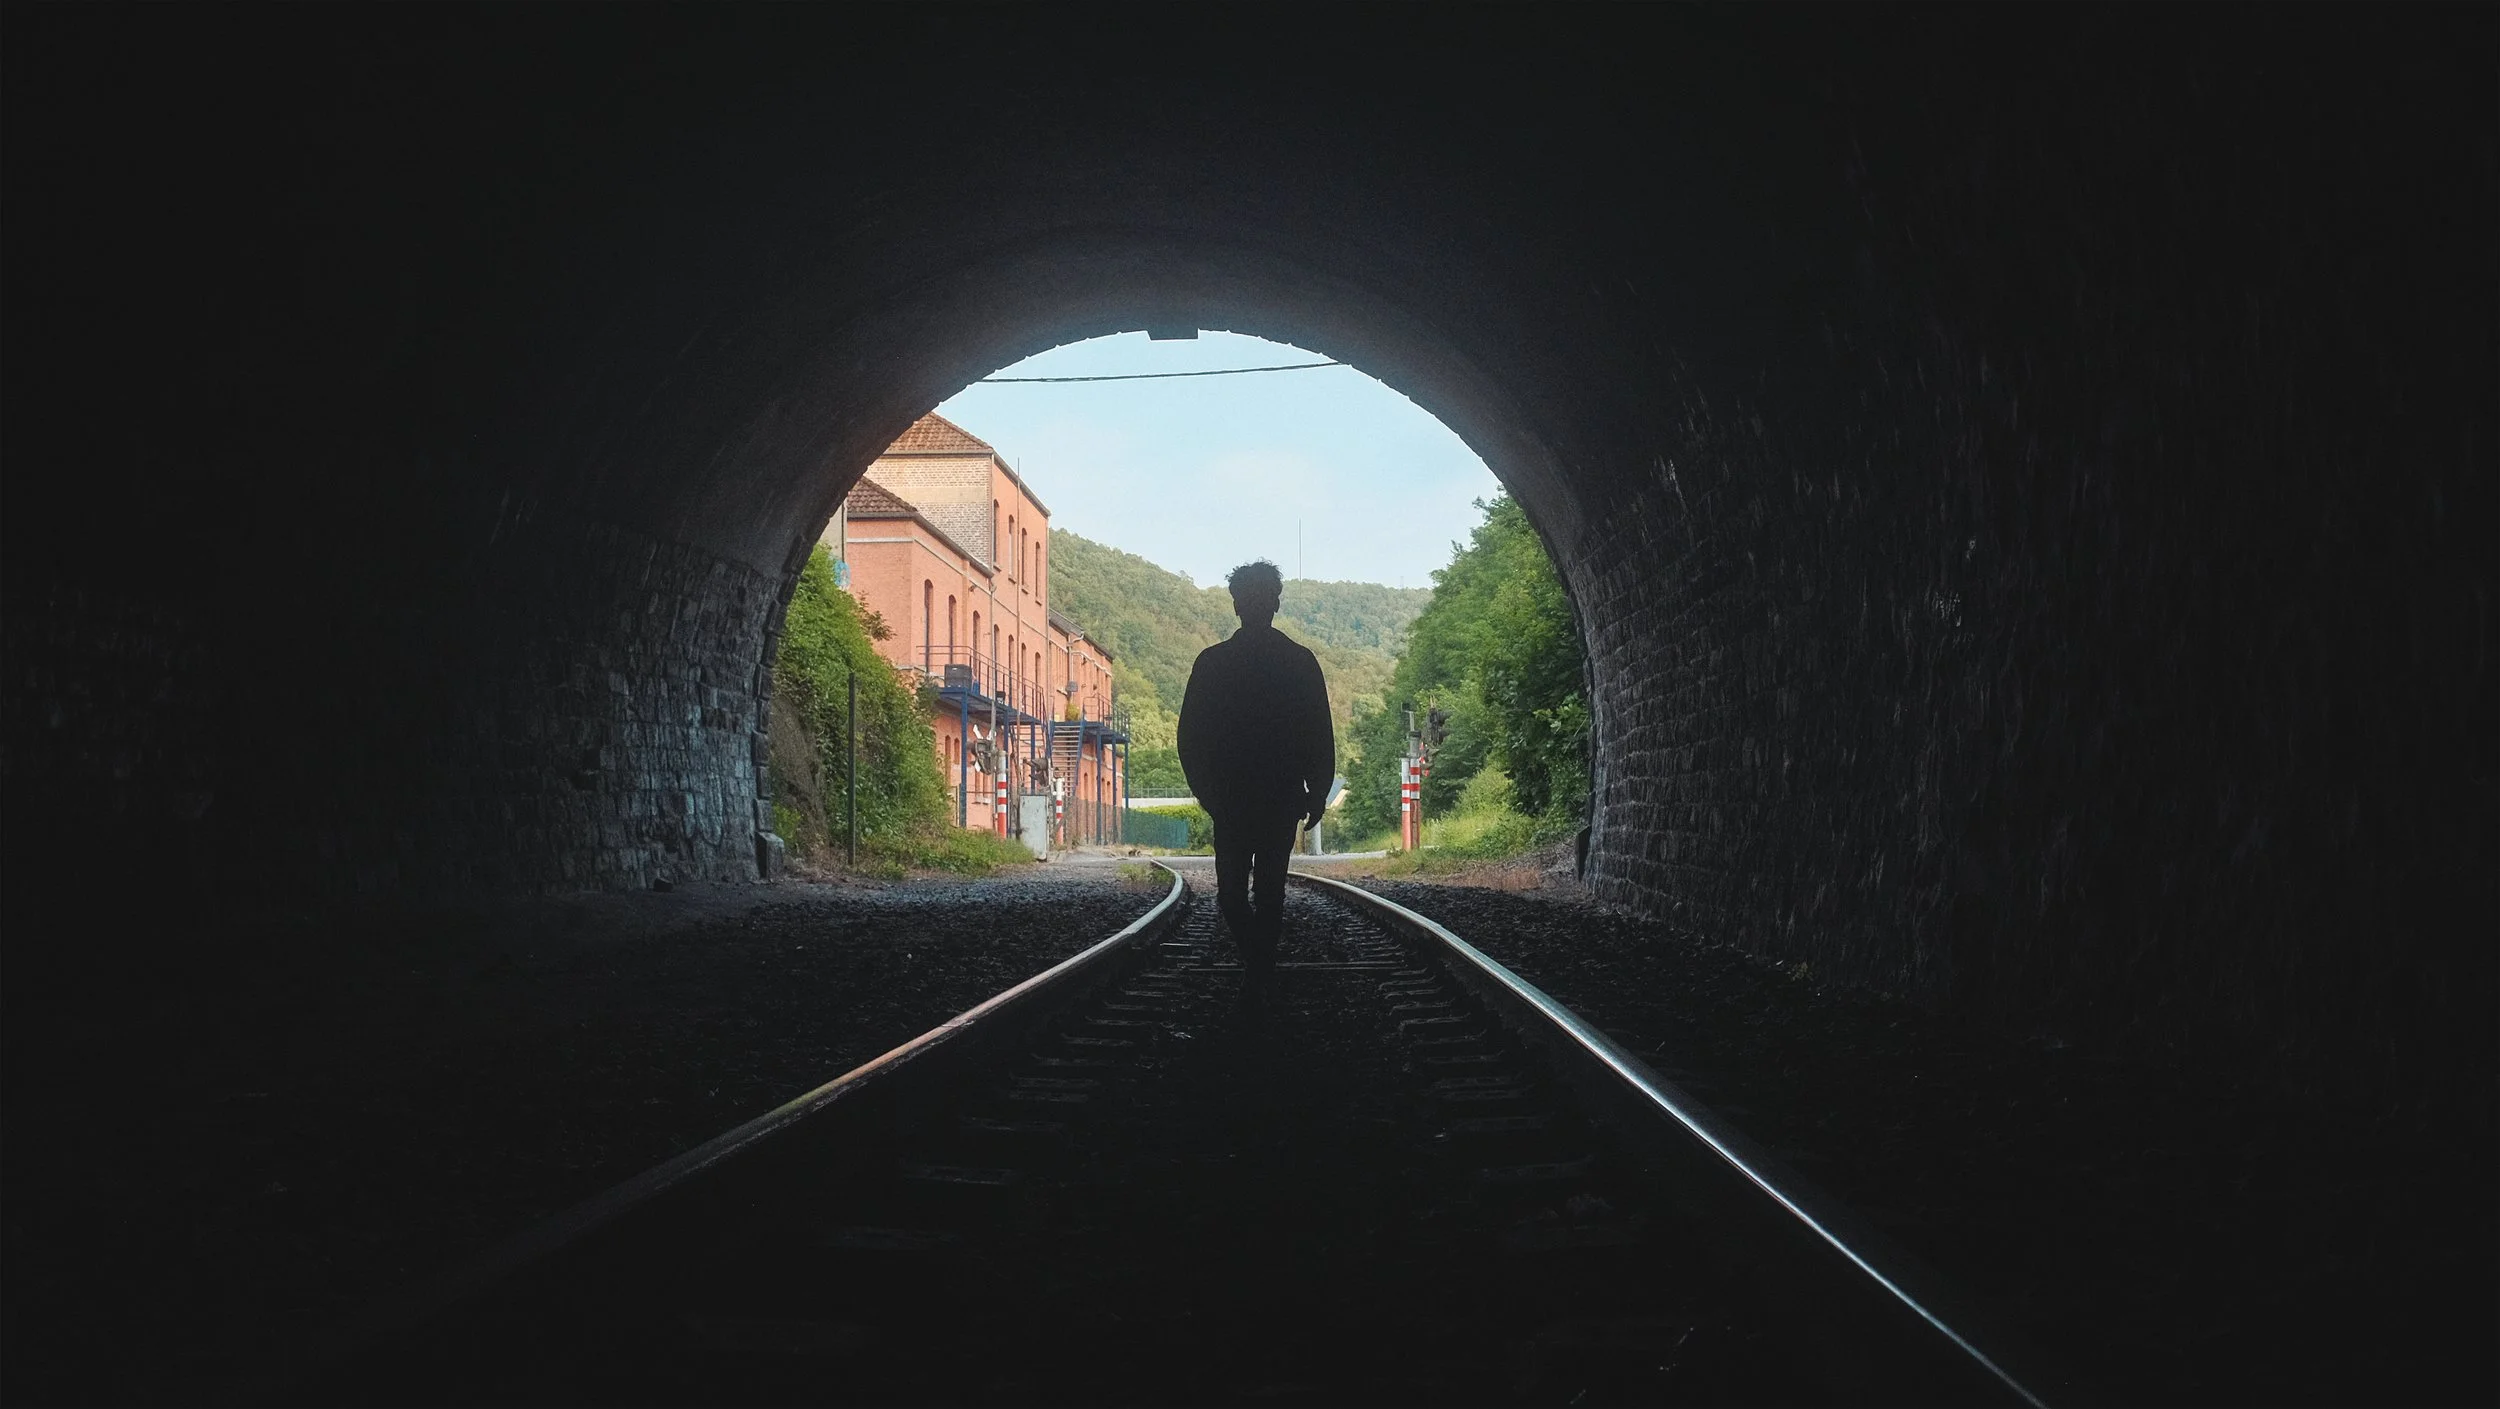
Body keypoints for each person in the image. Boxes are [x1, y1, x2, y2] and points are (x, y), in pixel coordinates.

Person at [1177, 561, 1334, 968]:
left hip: (1232, 798)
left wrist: (1206, 792)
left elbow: (1190, 736)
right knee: (1268, 891)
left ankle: (1257, 966)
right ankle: (1261, 963)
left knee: (1232, 893)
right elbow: (1319, 732)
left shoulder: (1212, 664)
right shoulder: (1300, 662)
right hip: (1279, 796)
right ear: (1274, 602)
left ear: (1238, 604)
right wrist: (1317, 791)